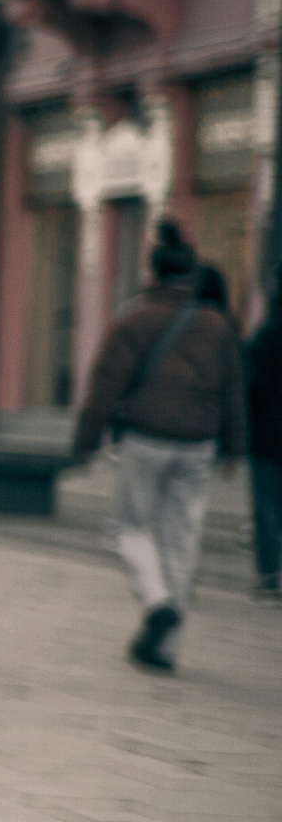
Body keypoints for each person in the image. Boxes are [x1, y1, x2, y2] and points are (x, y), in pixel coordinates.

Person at [70, 220, 248, 671]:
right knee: (180, 541)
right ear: (191, 274)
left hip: (146, 437)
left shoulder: (134, 320)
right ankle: (166, 649)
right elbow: (233, 389)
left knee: (127, 528)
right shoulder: (218, 326)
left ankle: (157, 604)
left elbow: (105, 385)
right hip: (198, 444)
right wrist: (233, 446)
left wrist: (85, 442)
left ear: (153, 273)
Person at [247, 267, 282, 603]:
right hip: (269, 433)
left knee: (267, 508)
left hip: (269, 436)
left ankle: (270, 578)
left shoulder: (268, 333)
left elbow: (254, 386)